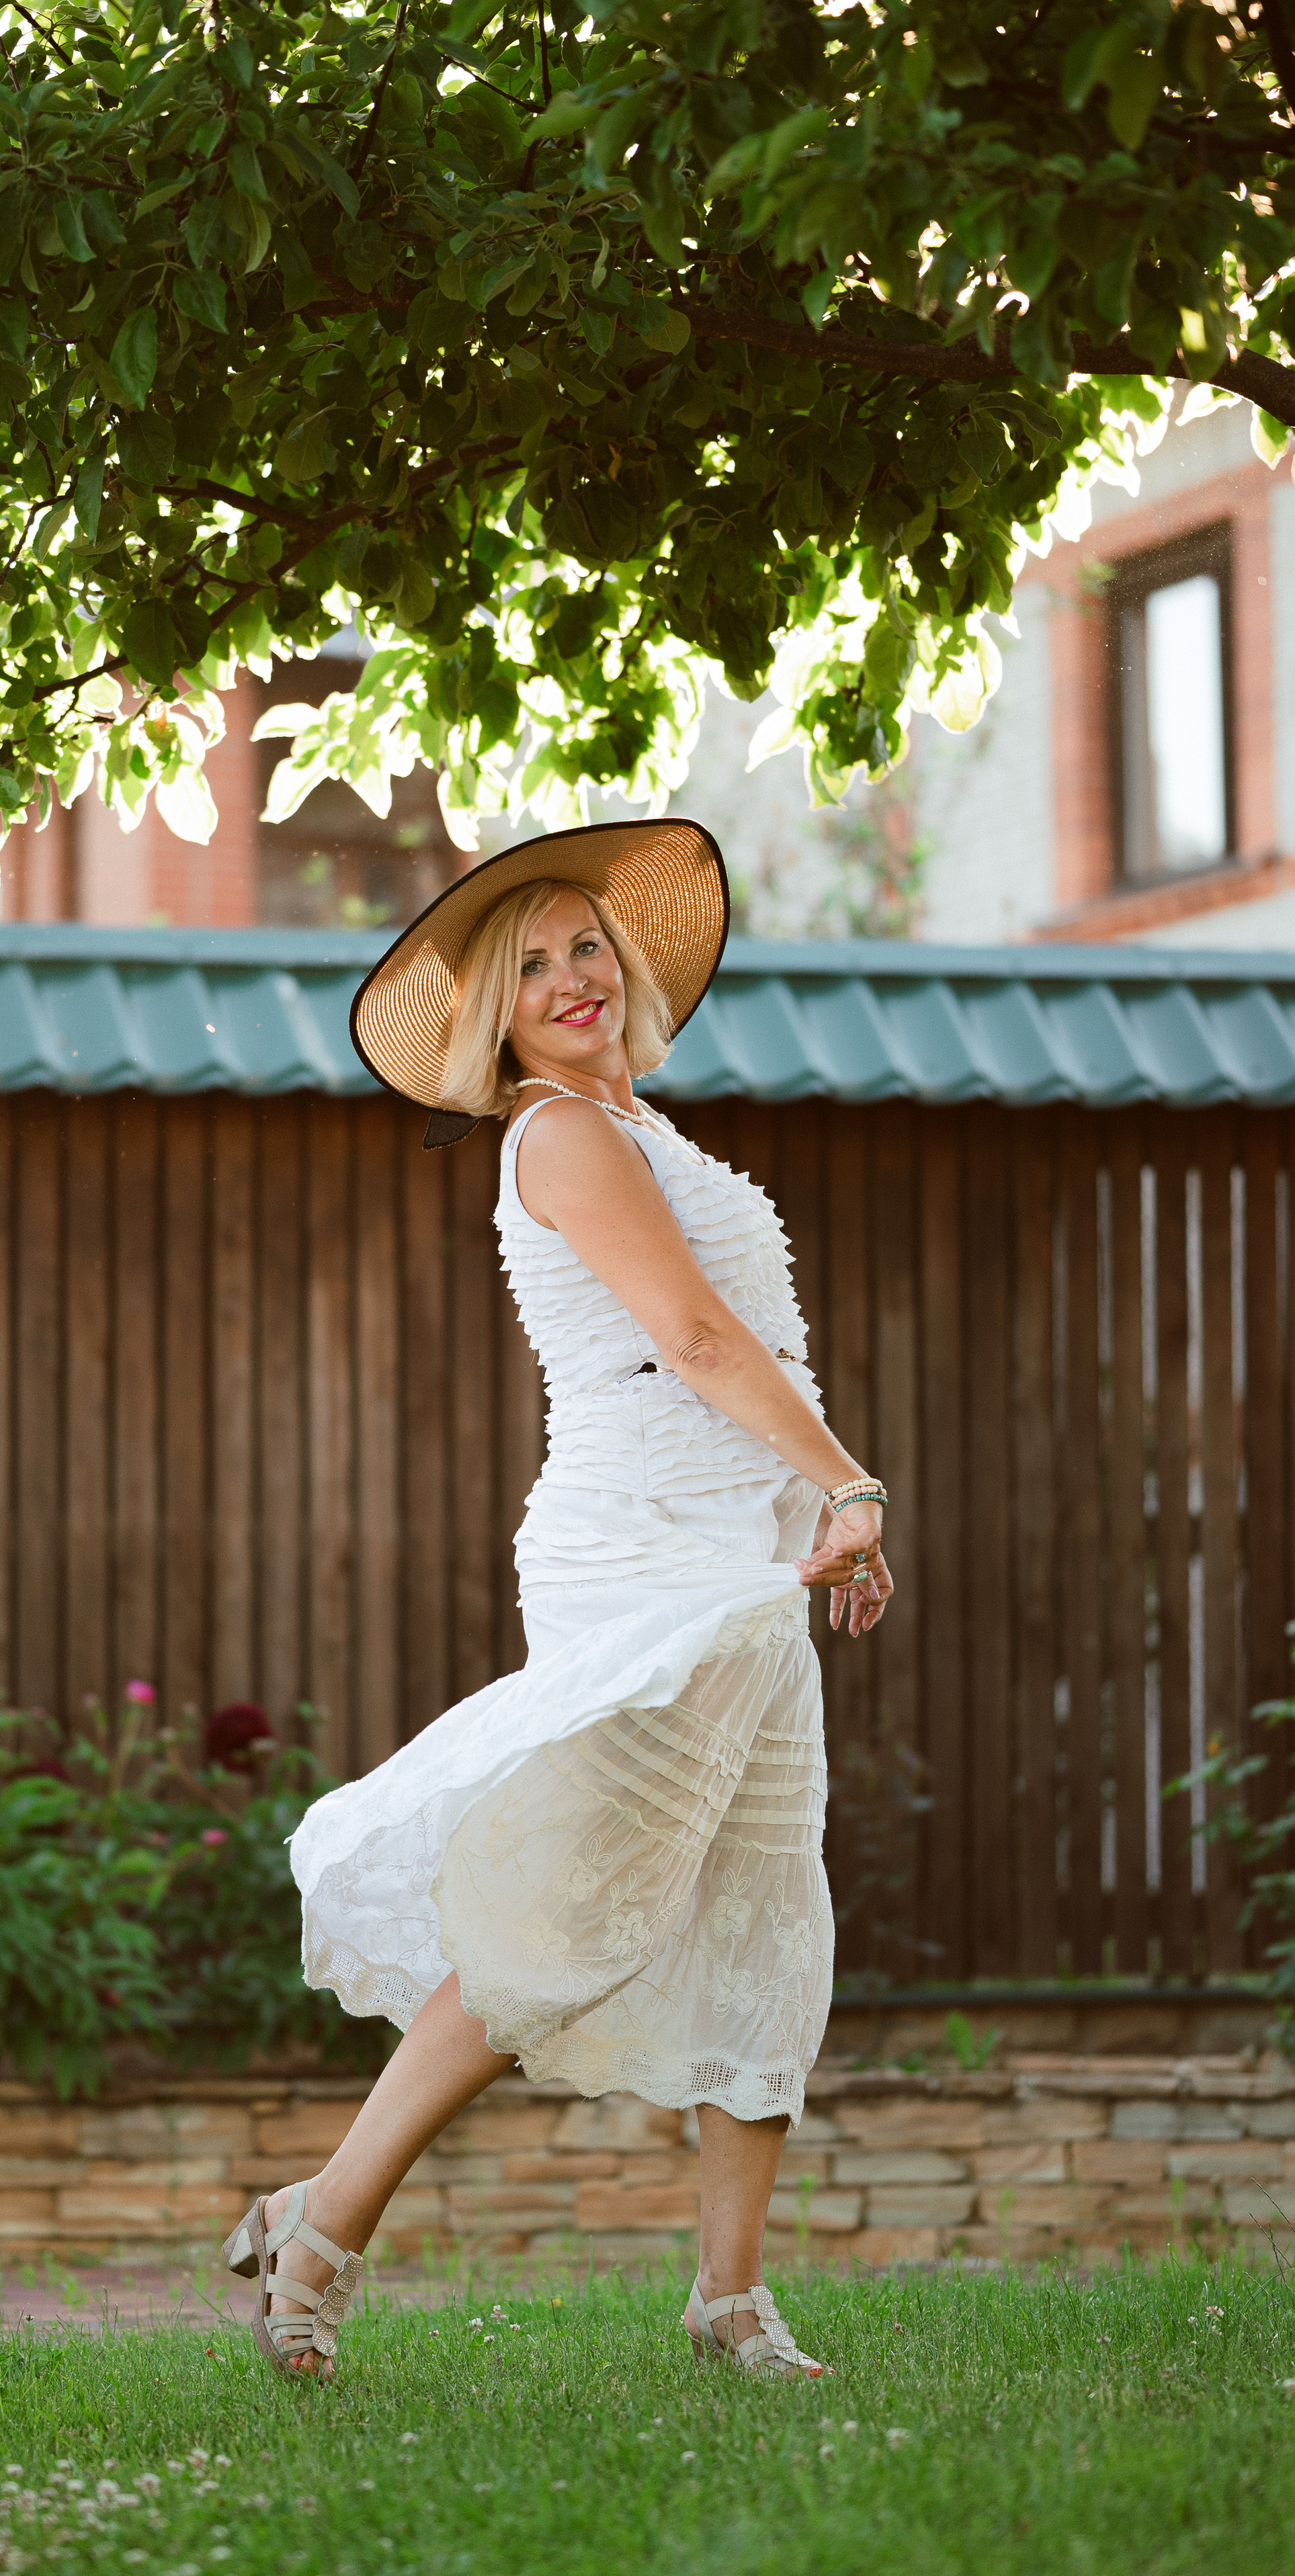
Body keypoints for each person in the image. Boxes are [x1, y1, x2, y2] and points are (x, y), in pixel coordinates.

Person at [221, 822, 892, 2385]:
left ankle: (728, 2298)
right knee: (559, 1922)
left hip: (738, 1544)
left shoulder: (637, 1124)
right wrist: (853, 1486)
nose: (570, 978)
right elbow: (697, 1344)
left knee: (762, 1900)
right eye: (528, 967)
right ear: (494, 1019)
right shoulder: (558, 1137)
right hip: (639, 1549)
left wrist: (821, 1518)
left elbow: (747, 1356)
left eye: (583, 943)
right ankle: (322, 2227)